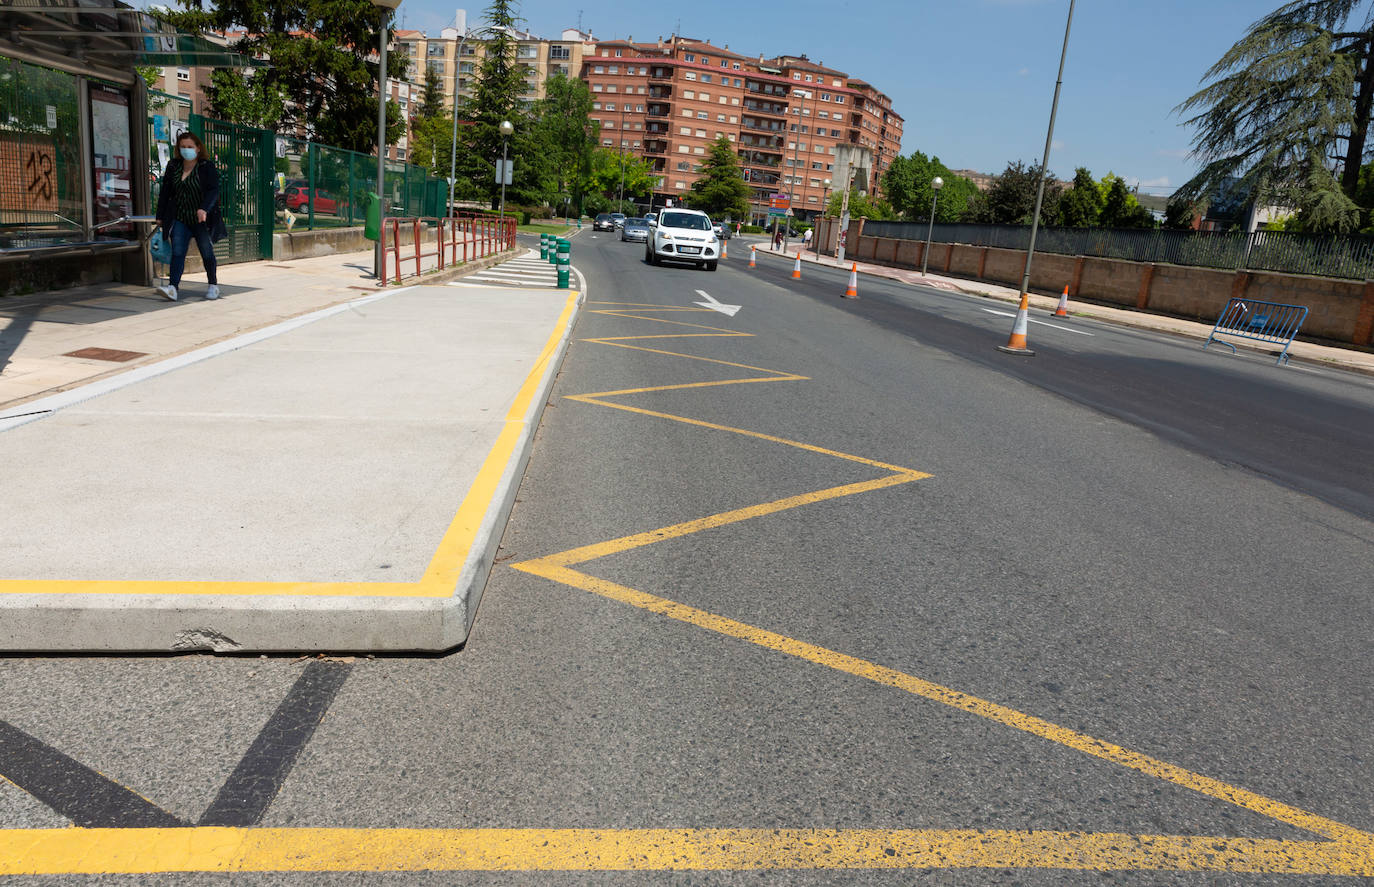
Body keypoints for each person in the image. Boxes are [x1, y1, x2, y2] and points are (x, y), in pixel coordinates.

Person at [153, 132, 227, 301]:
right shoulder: (173, 166)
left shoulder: (206, 166)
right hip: (179, 217)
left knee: (206, 252)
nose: (186, 150)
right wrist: (160, 215)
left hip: (201, 219)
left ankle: (213, 285)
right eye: (183, 147)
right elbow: (165, 192)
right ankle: (173, 287)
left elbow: (213, 191)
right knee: (178, 251)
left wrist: (204, 209)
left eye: (190, 147)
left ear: (198, 148)